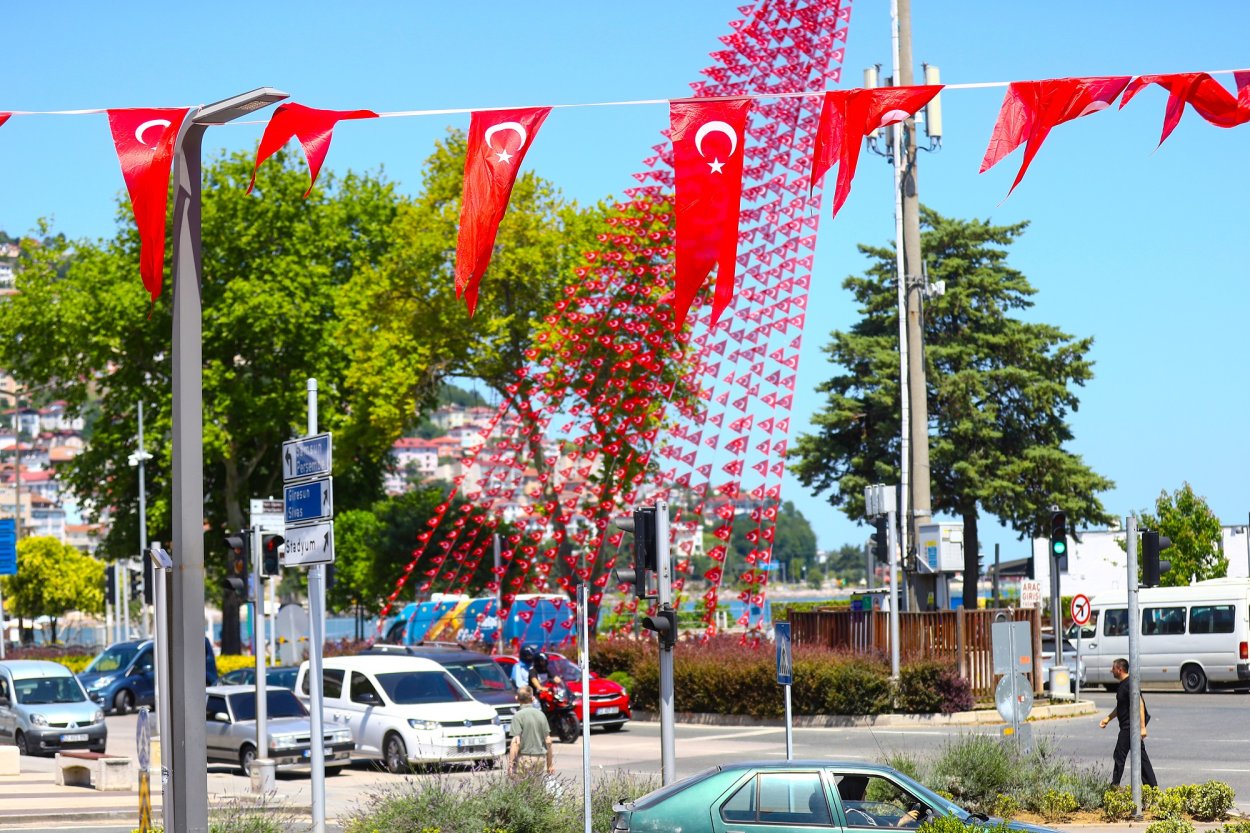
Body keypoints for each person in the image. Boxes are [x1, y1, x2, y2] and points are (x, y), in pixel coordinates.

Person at [1099, 657, 1158, 787]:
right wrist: (1108, 718)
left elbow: (1140, 704)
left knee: (1119, 755)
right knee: (1141, 758)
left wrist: (1142, 728)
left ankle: (1115, 785)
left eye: (1113, 668)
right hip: (1128, 726)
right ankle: (1152, 787)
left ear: (1119, 669)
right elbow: (1120, 706)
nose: (1111, 670)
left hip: (1130, 727)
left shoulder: (1130, 684)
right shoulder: (1124, 684)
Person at [508, 687, 553, 777]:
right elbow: (548, 741)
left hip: (524, 758)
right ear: (533, 699)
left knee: (522, 785)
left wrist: (510, 765)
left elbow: (516, 742)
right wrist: (550, 765)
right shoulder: (541, 715)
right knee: (536, 785)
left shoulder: (518, 716)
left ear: (517, 698)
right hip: (540, 759)